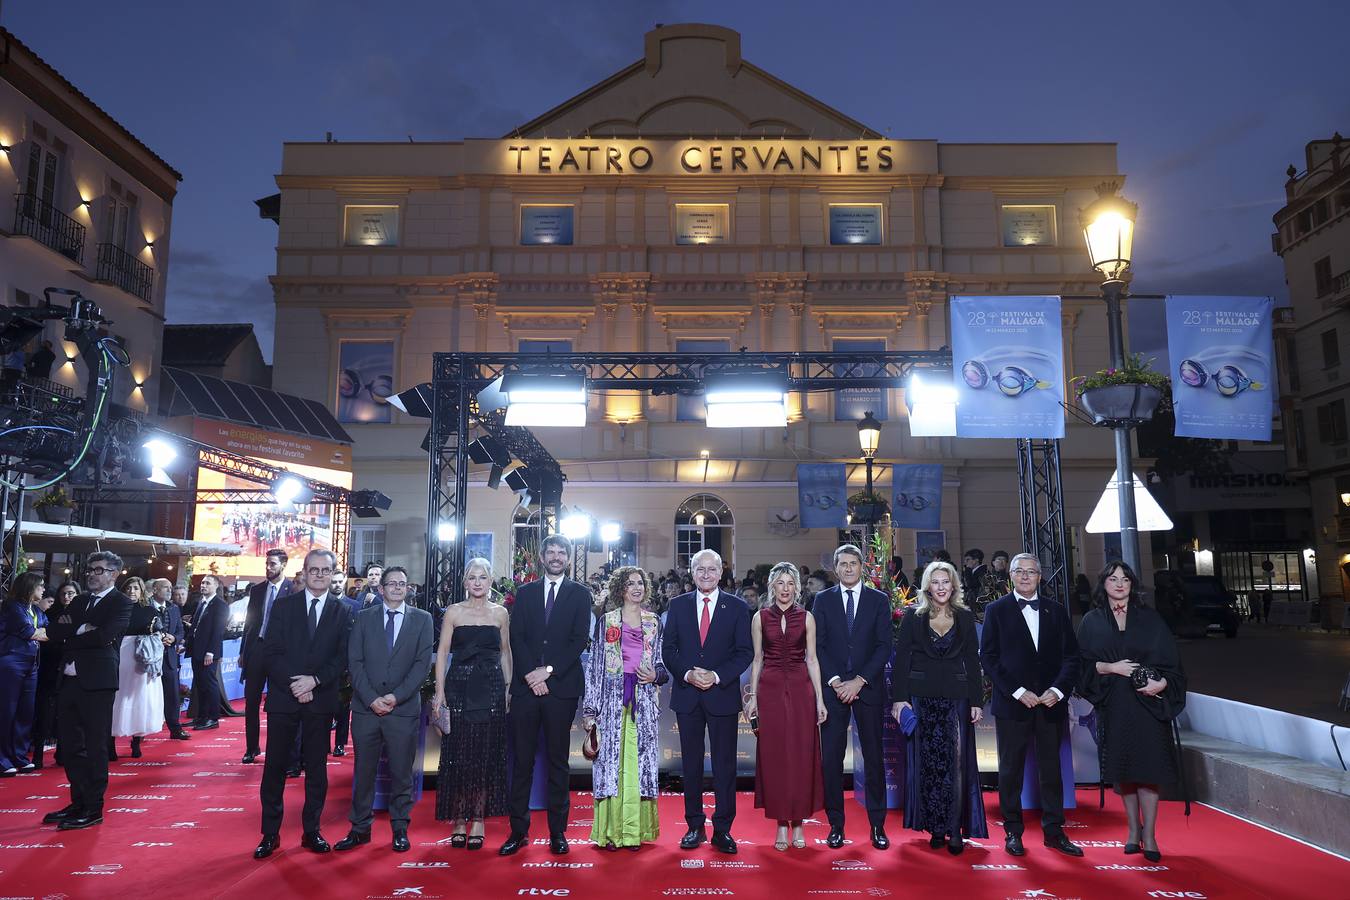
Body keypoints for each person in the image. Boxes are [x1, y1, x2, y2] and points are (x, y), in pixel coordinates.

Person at [1076, 560, 1187, 862]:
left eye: (1125, 579)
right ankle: (1132, 832)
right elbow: (1081, 666)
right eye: (1113, 579)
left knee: (1149, 770)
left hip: (1148, 704)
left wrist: (1161, 684)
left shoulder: (1151, 620)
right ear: (1104, 585)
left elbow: (1173, 665)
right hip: (1115, 704)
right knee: (1124, 770)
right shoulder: (1092, 621)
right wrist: (1111, 667)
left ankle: (1149, 835)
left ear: (1132, 585)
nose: (1120, 584)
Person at [979, 552, 1083, 858]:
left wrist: (1058, 690)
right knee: (1010, 770)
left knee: (1051, 770)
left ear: (1040, 576)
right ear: (1011, 576)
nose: (1025, 576)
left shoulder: (1057, 610)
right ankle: (1013, 832)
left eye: (1031, 571)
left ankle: (1054, 831)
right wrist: (1017, 691)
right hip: (1013, 705)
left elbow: (1072, 656)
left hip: (1050, 704)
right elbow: (988, 657)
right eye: (1019, 571)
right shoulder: (995, 610)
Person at [255, 549, 353, 859]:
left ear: (334, 573)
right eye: (314, 569)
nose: (320, 575)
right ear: (305, 572)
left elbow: (343, 657)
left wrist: (314, 681)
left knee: (316, 770)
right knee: (274, 769)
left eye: (326, 570)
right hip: (285, 698)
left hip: (320, 699)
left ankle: (312, 831)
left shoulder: (343, 611)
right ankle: (270, 834)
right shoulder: (284, 607)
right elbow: (270, 652)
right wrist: (296, 684)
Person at [499, 535, 592, 857]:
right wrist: (530, 674)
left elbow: (579, 639)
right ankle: (518, 831)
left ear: (568, 557)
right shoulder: (524, 594)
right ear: (542, 556)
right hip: (526, 688)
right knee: (521, 762)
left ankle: (557, 832)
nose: (555, 557)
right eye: (550, 551)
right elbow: (517, 636)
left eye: (561, 552)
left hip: (560, 689)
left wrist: (547, 671)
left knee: (557, 762)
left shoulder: (581, 594)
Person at [335, 566, 434, 853]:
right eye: (391, 583)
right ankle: (359, 829)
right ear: (381, 589)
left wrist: (395, 697)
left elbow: (421, 665)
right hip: (366, 709)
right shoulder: (363, 618)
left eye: (402, 584)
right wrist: (371, 699)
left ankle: (400, 828)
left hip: (402, 710)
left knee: (402, 773)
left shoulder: (423, 620)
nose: (397, 588)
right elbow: (355, 662)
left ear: (408, 589)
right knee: (363, 771)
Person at [891, 560, 987, 854]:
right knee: (929, 765)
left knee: (956, 766)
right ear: (927, 587)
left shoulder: (965, 617)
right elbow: (902, 660)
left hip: (956, 699)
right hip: (922, 699)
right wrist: (899, 698)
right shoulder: (912, 617)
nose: (942, 587)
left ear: (954, 585)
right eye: (936, 582)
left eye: (946, 582)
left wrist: (975, 701)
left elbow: (973, 661)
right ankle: (935, 826)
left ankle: (955, 828)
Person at [662, 548, 752, 855]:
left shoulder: (738, 607)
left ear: (721, 573)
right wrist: (688, 674)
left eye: (712, 570)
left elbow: (744, 652)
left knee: (725, 765)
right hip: (687, 695)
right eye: (700, 569)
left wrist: (715, 676)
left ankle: (723, 829)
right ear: (692, 572)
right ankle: (694, 826)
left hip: (721, 695)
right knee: (690, 764)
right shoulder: (677, 605)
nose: (705, 575)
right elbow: (668, 649)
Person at [41, 551, 133, 830]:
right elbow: (56, 631)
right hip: (68, 680)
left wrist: (74, 633)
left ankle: (94, 807)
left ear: (114, 574)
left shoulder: (121, 603)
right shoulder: (80, 601)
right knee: (70, 747)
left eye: (99, 570)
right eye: (90, 570)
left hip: (98, 684)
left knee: (94, 747)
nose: (92, 574)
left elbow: (105, 636)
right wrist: (83, 630)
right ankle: (78, 800)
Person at [581, 566, 668, 851]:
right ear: (620, 589)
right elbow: (594, 668)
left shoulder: (654, 622)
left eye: (640, 583)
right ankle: (611, 832)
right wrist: (590, 711)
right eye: (630, 583)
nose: (636, 587)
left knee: (637, 767)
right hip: (610, 703)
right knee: (611, 767)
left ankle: (634, 834)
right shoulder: (606, 621)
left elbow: (662, 664)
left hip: (643, 702)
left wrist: (656, 674)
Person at [813, 543, 893, 850]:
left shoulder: (878, 600)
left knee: (873, 758)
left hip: (867, 688)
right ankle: (836, 825)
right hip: (833, 691)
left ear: (862, 567)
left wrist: (858, 681)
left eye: (853, 563)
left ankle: (877, 826)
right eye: (842, 564)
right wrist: (836, 682)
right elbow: (817, 645)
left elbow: (883, 645)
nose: (848, 568)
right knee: (831, 760)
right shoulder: (822, 600)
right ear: (835, 568)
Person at [746, 562, 825, 851]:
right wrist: (752, 696)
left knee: (802, 755)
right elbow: (757, 659)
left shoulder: (807, 617)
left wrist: (819, 698)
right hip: (769, 688)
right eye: (780, 583)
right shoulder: (759, 617)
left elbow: (812, 660)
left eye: (790, 583)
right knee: (775, 756)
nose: (785, 589)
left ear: (797, 587)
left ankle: (799, 823)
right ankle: (781, 823)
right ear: (772, 587)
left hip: (801, 688)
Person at [433, 557, 511, 850]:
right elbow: (441, 652)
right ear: (465, 582)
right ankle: (459, 819)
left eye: (483, 577)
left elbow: (506, 652)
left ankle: (478, 818)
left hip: (490, 688)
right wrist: (439, 693)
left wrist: (507, 689)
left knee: (485, 754)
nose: (477, 582)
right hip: (459, 687)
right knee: (458, 754)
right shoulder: (453, 612)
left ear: (491, 581)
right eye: (472, 577)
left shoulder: (501, 613)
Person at [241, 549, 288, 763]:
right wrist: (244, 651)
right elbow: (249, 623)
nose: (268, 568)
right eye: (267, 564)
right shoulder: (258, 590)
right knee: (251, 702)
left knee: (278, 703)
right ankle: (252, 748)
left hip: (280, 654)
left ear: (283, 565)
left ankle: (278, 750)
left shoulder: (293, 590)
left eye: (273, 564)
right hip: (256, 649)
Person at [109, 577, 164, 760]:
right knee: (116, 697)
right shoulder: (115, 609)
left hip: (141, 657)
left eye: (135, 588)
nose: (132, 591)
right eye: (128, 588)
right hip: (119, 653)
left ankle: (136, 740)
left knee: (140, 697)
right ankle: (110, 742)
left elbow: (158, 630)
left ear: (141, 591)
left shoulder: (149, 611)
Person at [1, 572, 48, 776]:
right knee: (6, 712)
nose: (44, 590)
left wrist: (42, 632)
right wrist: (41, 632)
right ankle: (2, 759)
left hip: (31, 665)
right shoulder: (13, 607)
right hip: (11, 663)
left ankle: (18, 755)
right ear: (29, 588)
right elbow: (32, 633)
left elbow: (50, 630)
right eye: (40, 586)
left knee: (25, 712)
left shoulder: (35, 610)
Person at [149, 579, 189, 741]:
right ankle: (141, 732)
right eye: (165, 587)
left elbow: (180, 631)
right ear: (155, 589)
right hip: (149, 659)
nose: (169, 590)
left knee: (172, 695)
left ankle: (175, 728)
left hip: (169, 658)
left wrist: (174, 638)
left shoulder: (173, 609)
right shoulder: (145, 607)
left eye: (170, 588)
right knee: (147, 695)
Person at [189, 575, 228, 731]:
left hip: (209, 652)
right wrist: (187, 643)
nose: (203, 585)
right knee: (200, 684)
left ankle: (213, 718)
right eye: (203, 583)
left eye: (207, 583)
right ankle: (202, 717)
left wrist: (211, 652)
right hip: (197, 650)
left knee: (209, 684)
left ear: (216, 586)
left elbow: (218, 630)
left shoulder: (220, 605)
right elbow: (196, 626)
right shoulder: (201, 603)